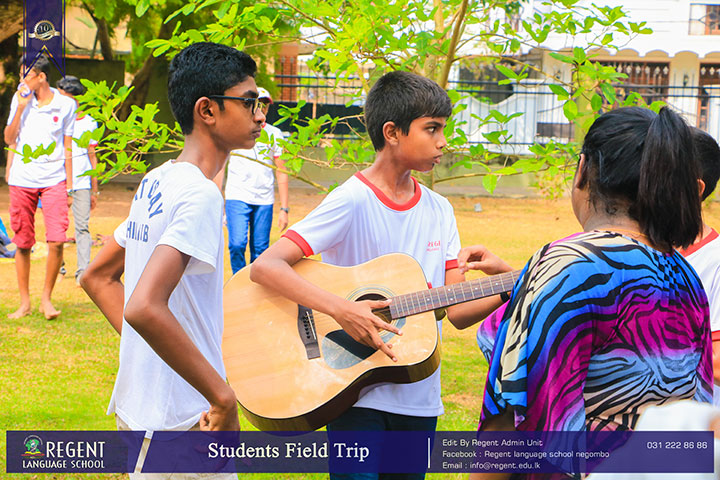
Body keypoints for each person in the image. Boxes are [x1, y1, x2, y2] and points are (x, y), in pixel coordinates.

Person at [250, 70, 510, 480]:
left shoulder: (440, 210)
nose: (443, 141)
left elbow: (457, 311)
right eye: (432, 129)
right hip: (354, 392)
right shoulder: (351, 200)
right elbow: (266, 266)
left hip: (419, 395)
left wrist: (513, 285)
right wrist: (341, 309)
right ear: (392, 132)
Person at [462, 106, 713, 480]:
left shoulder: (570, 265)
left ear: (583, 170)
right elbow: (698, 411)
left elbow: (511, 412)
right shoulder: (684, 274)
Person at [80, 42, 265, 478]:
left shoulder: (157, 180)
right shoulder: (200, 194)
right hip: (183, 421)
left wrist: (153, 356)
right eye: (249, 102)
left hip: (143, 407)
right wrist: (222, 398)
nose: (260, 115)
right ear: (207, 110)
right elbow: (143, 306)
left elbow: (97, 277)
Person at [4, 55, 76, 320]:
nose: (21, 81)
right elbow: (9, 139)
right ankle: (24, 303)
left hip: (54, 179)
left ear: (41, 77)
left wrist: (69, 186)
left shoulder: (66, 104)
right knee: (23, 243)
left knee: (57, 240)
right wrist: (21, 108)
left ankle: (47, 299)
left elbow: (68, 146)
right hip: (22, 179)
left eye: (26, 75)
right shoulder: (19, 100)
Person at [217, 86, 289, 273]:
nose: (261, 108)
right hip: (237, 196)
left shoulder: (274, 134)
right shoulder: (233, 131)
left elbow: (282, 171)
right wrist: (217, 201)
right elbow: (220, 167)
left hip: (264, 199)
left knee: (260, 250)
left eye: (265, 104)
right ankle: (238, 280)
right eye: (258, 104)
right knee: (237, 244)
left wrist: (284, 209)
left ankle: (255, 286)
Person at [679, 128, 720, 406]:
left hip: (694, 424)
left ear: (695, 190)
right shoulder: (640, 249)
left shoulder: (714, 261)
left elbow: (717, 363)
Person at [56, 75, 100, 285]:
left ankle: (82, 272)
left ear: (75, 99)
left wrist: (94, 189)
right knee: (56, 228)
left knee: (82, 227)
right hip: (58, 181)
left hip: (82, 183)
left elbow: (92, 156)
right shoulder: (56, 120)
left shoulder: (90, 123)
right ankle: (58, 267)